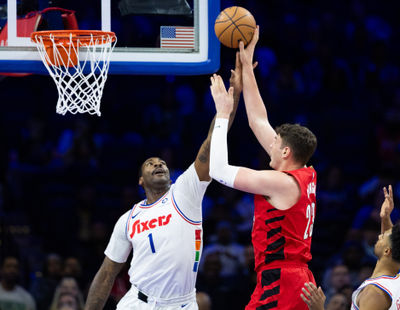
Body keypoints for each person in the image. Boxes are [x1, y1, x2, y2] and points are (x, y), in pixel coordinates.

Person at [84, 59, 243, 310]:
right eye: (150, 163)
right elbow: (107, 274)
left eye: (162, 163)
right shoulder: (128, 219)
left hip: (182, 304)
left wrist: (229, 105)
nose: (158, 164)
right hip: (138, 302)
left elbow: (211, 144)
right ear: (140, 180)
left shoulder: (184, 192)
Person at [209, 26, 318, 309]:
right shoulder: (303, 171)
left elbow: (219, 170)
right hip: (293, 276)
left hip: (282, 279)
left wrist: (222, 114)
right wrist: (247, 67)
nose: (268, 145)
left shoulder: (280, 182)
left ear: (285, 151)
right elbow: (258, 120)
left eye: (275, 143)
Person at [301, 185, 400, 310]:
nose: (379, 236)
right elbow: (394, 245)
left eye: (383, 236)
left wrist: (319, 308)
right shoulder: (396, 279)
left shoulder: (374, 293)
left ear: (387, 251)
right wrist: (385, 218)